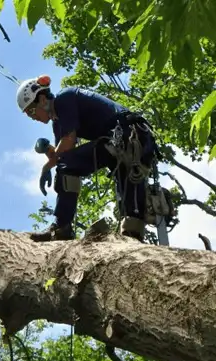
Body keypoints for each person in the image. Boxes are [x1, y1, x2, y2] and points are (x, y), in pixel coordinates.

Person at [16, 75, 158, 243]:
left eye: (31, 112)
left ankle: (63, 227)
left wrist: (48, 166)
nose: (33, 118)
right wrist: (48, 152)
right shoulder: (58, 123)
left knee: (125, 181)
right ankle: (130, 236)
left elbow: (67, 144)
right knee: (123, 184)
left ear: (41, 99)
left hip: (127, 135)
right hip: (118, 141)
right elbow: (64, 153)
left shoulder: (64, 99)